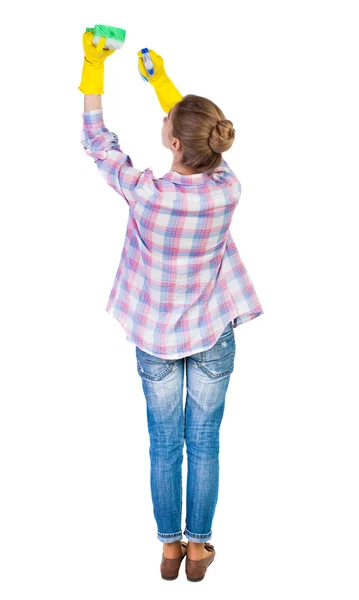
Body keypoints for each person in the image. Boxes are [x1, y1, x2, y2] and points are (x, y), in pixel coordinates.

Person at [78, 32, 264, 582]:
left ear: (174, 147)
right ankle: (200, 547)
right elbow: (205, 145)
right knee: (204, 441)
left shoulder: (146, 192)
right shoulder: (228, 188)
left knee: (164, 443)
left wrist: (94, 70)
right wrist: (162, 83)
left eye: (169, 129)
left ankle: (168, 549)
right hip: (212, 335)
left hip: (155, 338)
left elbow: (98, 143)